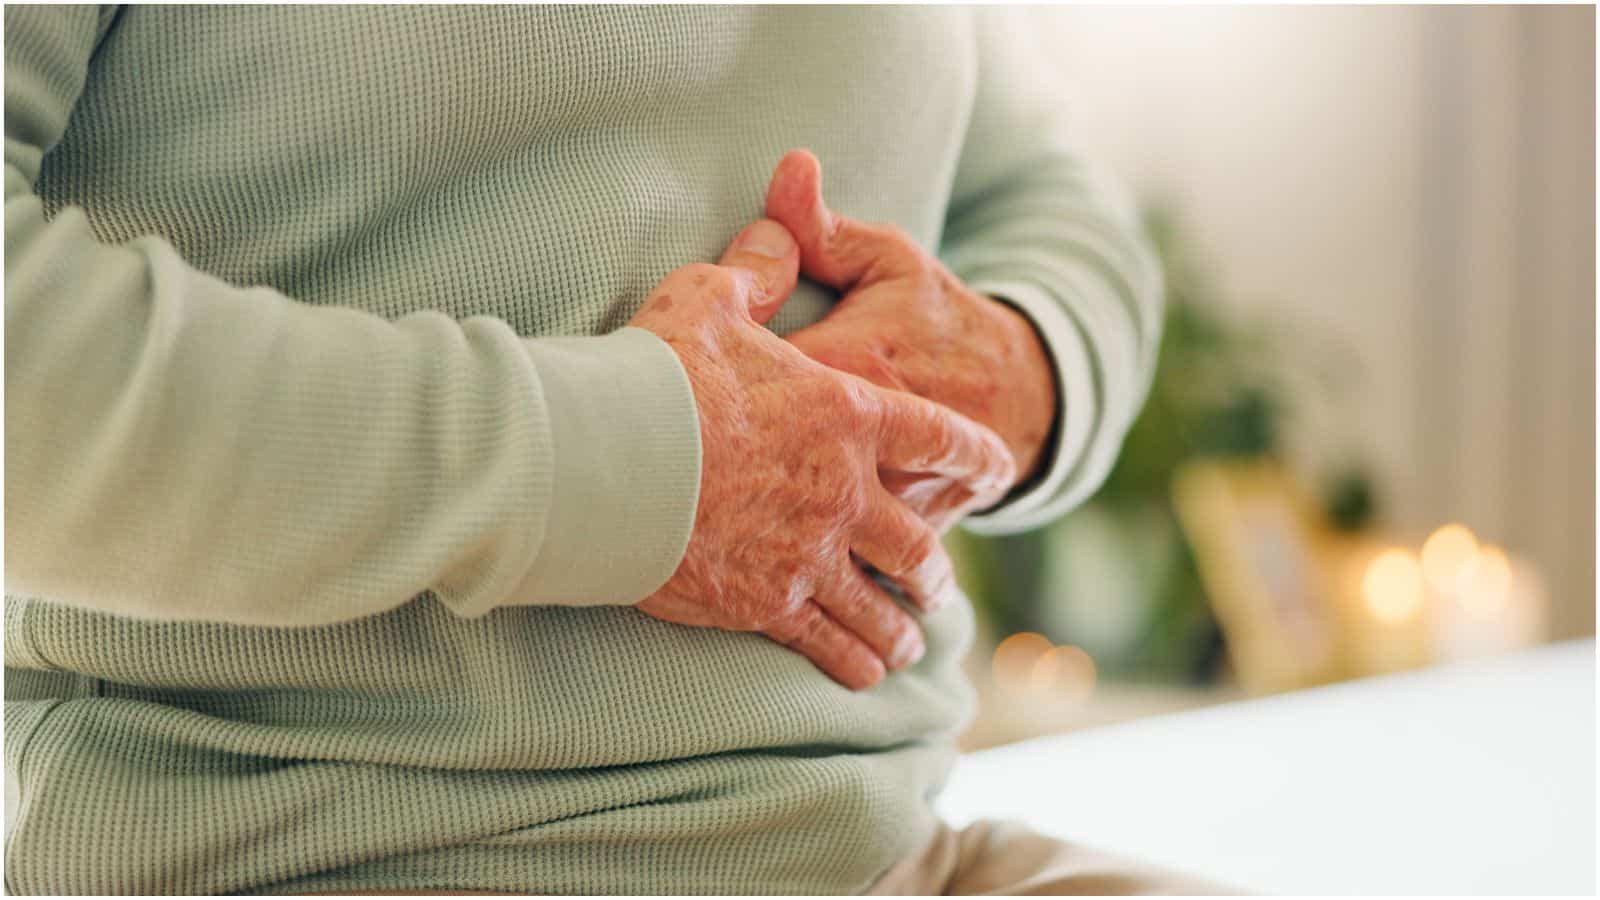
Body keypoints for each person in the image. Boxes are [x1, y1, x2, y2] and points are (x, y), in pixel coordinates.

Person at [4, 6, 1211, 895]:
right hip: (318, 854)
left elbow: (1050, 197)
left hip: (896, 857)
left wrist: (1023, 360)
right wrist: (640, 466)